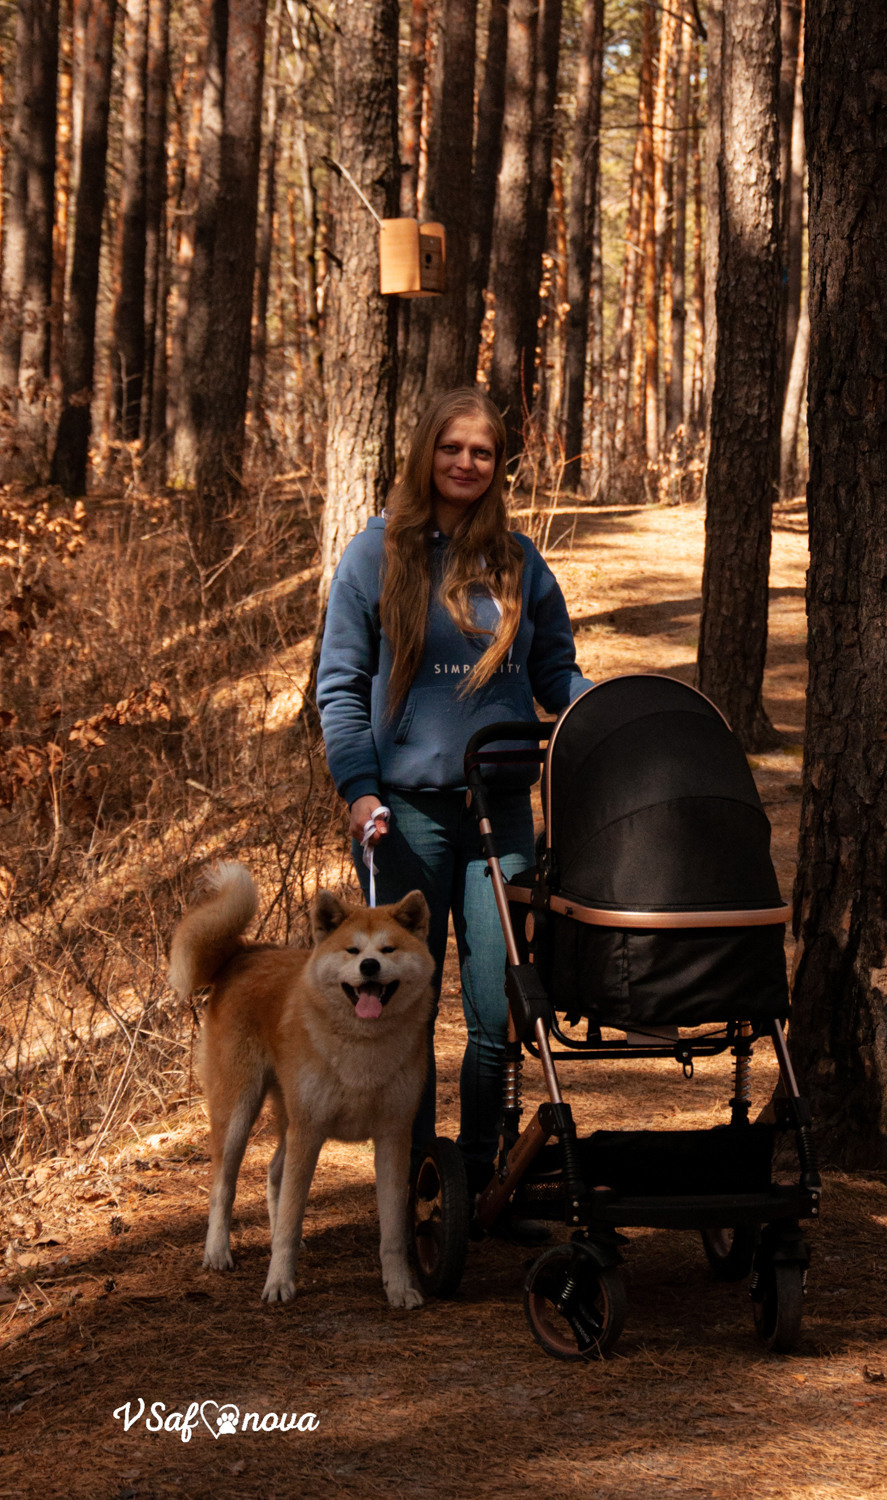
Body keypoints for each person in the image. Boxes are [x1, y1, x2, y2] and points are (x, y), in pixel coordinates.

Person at [315, 387, 590, 1202]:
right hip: (404, 819)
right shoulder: (374, 556)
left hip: (500, 810)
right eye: (452, 448)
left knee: (496, 1004)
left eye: (482, 452)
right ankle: (415, 1187)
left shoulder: (519, 560)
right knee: (402, 1011)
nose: (466, 463)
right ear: (425, 453)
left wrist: (605, 707)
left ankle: (479, 1176)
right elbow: (337, 688)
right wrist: (360, 792)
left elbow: (555, 675)